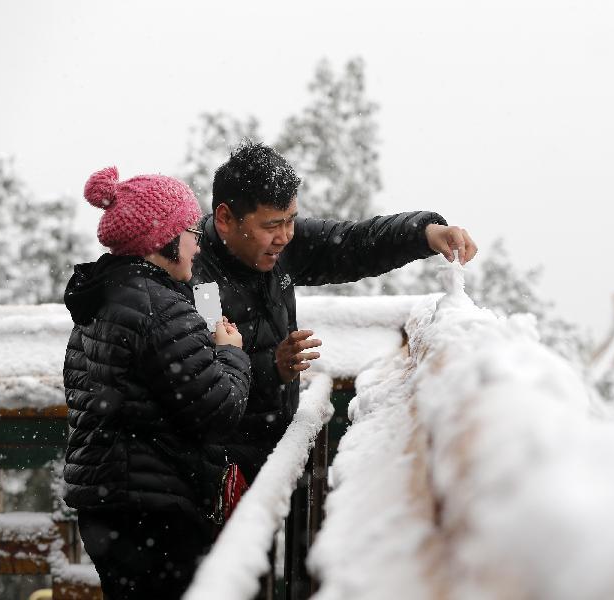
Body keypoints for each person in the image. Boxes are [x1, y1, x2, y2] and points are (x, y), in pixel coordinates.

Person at [190, 141, 477, 481]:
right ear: (225, 219)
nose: (284, 237)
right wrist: (273, 368)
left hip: (273, 455)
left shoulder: (280, 247)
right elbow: (201, 388)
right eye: (271, 226)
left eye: (291, 221)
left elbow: (355, 244)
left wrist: (426, 233)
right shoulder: (196, 280)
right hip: (217, 471)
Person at [62, 166, 251, 599]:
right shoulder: (161, 308)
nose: (198, 243)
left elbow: (92, 393)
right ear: (162, 238)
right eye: (190, 231)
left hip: (106, 507)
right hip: (156, 512)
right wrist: (230, 352)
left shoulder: (101, 301)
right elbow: (220, 412)